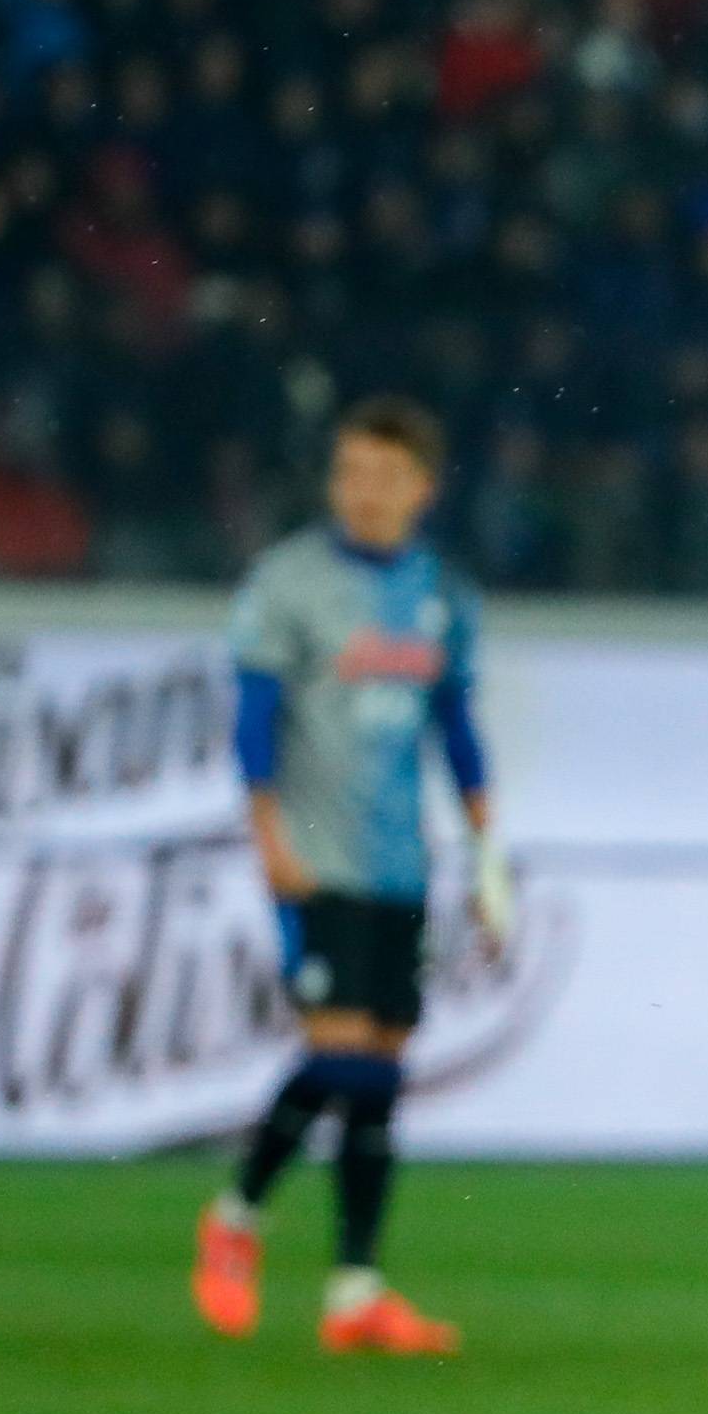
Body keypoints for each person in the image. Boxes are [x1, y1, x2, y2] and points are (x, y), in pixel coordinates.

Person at [194, 397, 510, 1355]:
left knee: (379, 1073)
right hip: (315, 855)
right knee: (339, 1053)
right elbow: (254, 721)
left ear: (423, 489)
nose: (363, 492)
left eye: (384, 476)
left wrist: (485, 852)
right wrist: (266, 834)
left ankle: (354, 1292)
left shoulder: (441, 593)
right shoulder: (288, 582)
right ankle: (236, 1217)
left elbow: (455, 728)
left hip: (400, 864)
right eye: (349, 473)